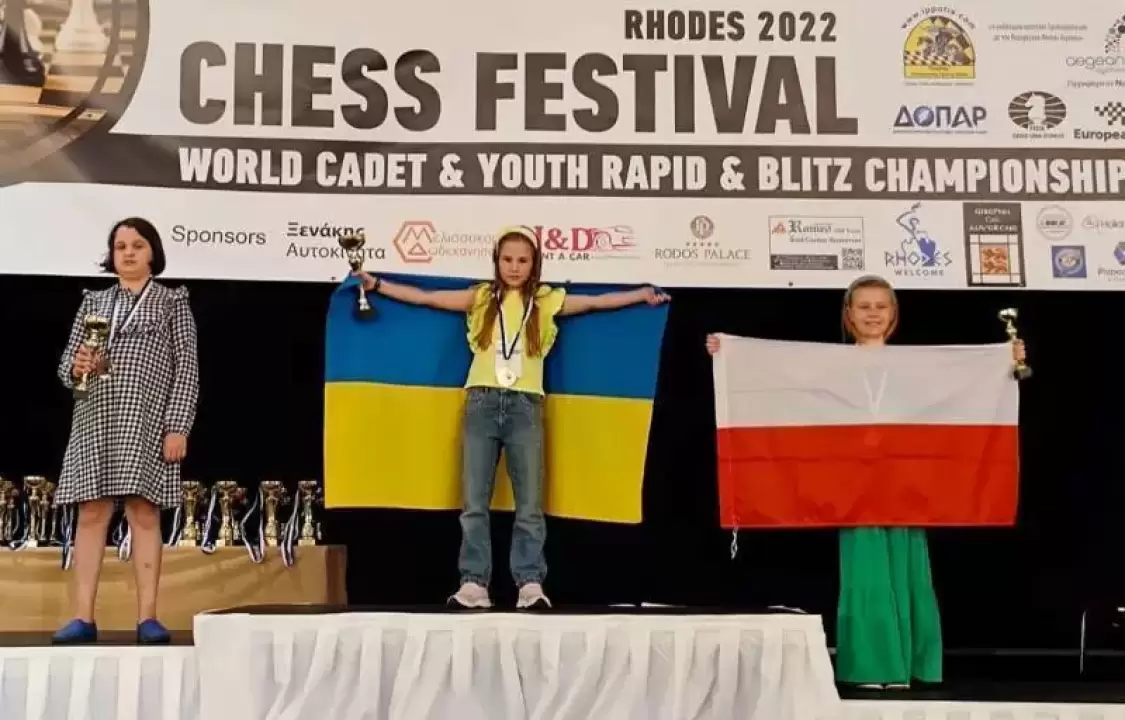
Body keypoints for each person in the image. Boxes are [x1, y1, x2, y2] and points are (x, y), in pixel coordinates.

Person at [705, 274, 1026, 690]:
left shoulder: (919, 365)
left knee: (909, 571)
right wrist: (731, 355)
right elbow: (780, 381)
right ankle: (874, 666)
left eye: (880, 306)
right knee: (868, 574)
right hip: (854, 486)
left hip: (906, 484)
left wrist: (1004, 361)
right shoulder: (828, 364)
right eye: (864, 307)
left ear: (893, 314)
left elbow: (963, 387)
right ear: (849, 314)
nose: (873, 314)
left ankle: (912, 664)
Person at [355, 226, 668, 610]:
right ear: (496, 262)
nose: (515, 267)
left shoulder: (546, 300)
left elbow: (595, 303)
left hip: (525, 407)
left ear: (534, 264)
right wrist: (377, 285)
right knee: (474, 501)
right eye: (507, 260)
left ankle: (530, 583)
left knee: (529, 503)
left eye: (523, 260)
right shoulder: (481, 297)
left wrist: (641, 294)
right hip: (481, 403)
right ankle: (474, 584)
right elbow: (427, 298)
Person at [52, 217, 199, 645]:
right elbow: (66, 368)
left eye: (138, 245)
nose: (129, 253)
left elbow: (187, 370)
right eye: (120, 247)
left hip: (147, 422)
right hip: (95, 419)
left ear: (153, 253)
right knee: (91, 513)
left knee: (144, 512)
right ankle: (83, 617)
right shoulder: (94, 302)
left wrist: (178, 426)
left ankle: (147, 618)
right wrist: (79, 367)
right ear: (112, 255)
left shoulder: (172, 301)